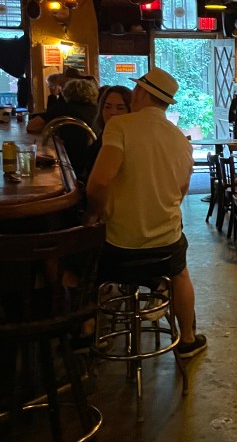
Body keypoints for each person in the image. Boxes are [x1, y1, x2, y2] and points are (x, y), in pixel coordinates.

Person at [86, 66, 206, 358]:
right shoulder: (180, 139)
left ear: (140, 93)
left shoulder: (120, 126)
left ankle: (87, 335)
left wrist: (95, 213)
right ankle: (188, 340)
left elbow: (99, 181)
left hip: (119, 247)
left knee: (84, 264)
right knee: (179, 273)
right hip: (164, 246)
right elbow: (181, 191)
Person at [81, 84, 133, 180]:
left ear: (130, 111)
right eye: (108, 107)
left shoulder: (128, 140)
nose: (112, 112)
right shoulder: (101, 133)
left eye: (120, 108)